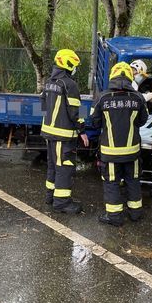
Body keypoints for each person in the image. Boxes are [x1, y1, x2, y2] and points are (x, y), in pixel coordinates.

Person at [91, 62, 148, 226]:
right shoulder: (138, 98)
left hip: (110, 152)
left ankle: (115, 217)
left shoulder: (103, 97)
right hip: (133, 152)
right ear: (130, 78)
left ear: (113, 76)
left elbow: (95, 123)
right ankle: (135, 213)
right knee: (133, 180)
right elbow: (143, 120)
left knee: (112, 182)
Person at [40, 49, 89, 214]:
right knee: (64, 167)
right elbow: (77, 110)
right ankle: (61, 203)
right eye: (74, 65)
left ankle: (50, 197)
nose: (75, 69)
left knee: (53, 166)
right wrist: (82, 130)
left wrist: (50, 120)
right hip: (63, 136)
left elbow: (42, 104)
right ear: (68, 64)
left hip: (49, 134)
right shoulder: (70, 84)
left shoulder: (49, 82)